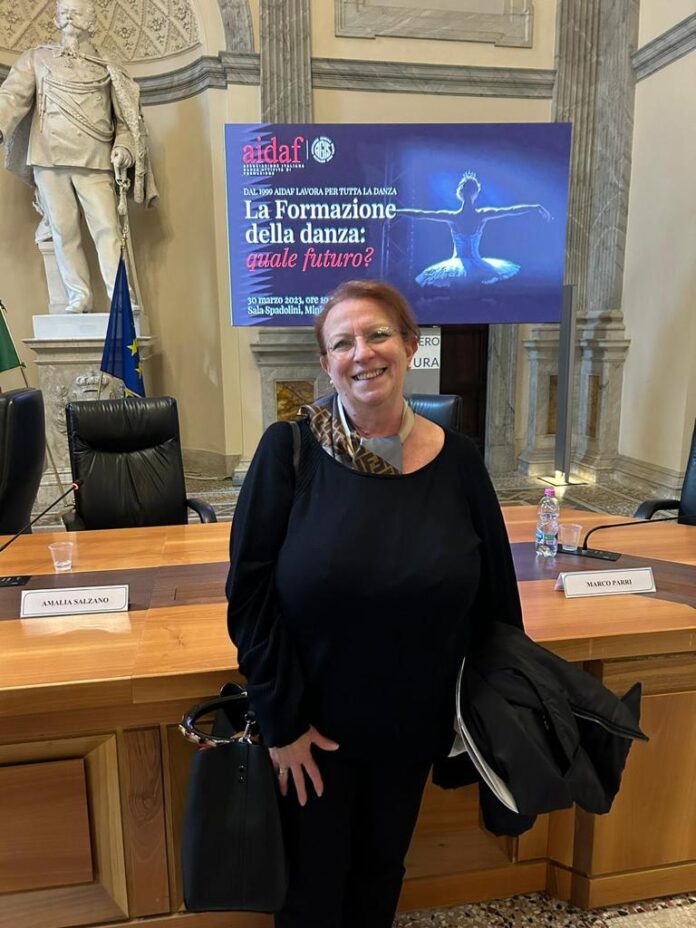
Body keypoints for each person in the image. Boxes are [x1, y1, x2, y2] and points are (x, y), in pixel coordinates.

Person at [226, 279, 523, 928]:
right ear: (327, 363)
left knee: (381, 875)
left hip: (413, 728)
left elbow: (496, 598)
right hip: (313, 732)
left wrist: (488, 717)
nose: (362, 353)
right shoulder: (290, 450)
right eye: (343, 343)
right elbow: (249, 594)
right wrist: (282, 722)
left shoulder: (460, 462)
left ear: (411, 345)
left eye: (378, 334)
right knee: (310, 892)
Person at [0, 0, 156, 313]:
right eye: (64, 12)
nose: (69, 16)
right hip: (48, 156)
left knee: (107, 230)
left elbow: (126, 121)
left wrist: (124, 148)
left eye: (77, 12)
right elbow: (12, 96)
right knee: (64, 231)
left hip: (95, 158)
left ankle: (120, 296)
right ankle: (78, 296)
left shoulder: (108, 67)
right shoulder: (36, 58)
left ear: (92, 22)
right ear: (56, 20)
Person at [396, 171, 550, 287]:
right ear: (476, 193)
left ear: (460, 193)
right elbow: (511, 210)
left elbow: (421, 214)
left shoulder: (453, 217)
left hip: (458, 266)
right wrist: (535, 207)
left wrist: (396, 211)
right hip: (478, 265)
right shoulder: (481, 215)